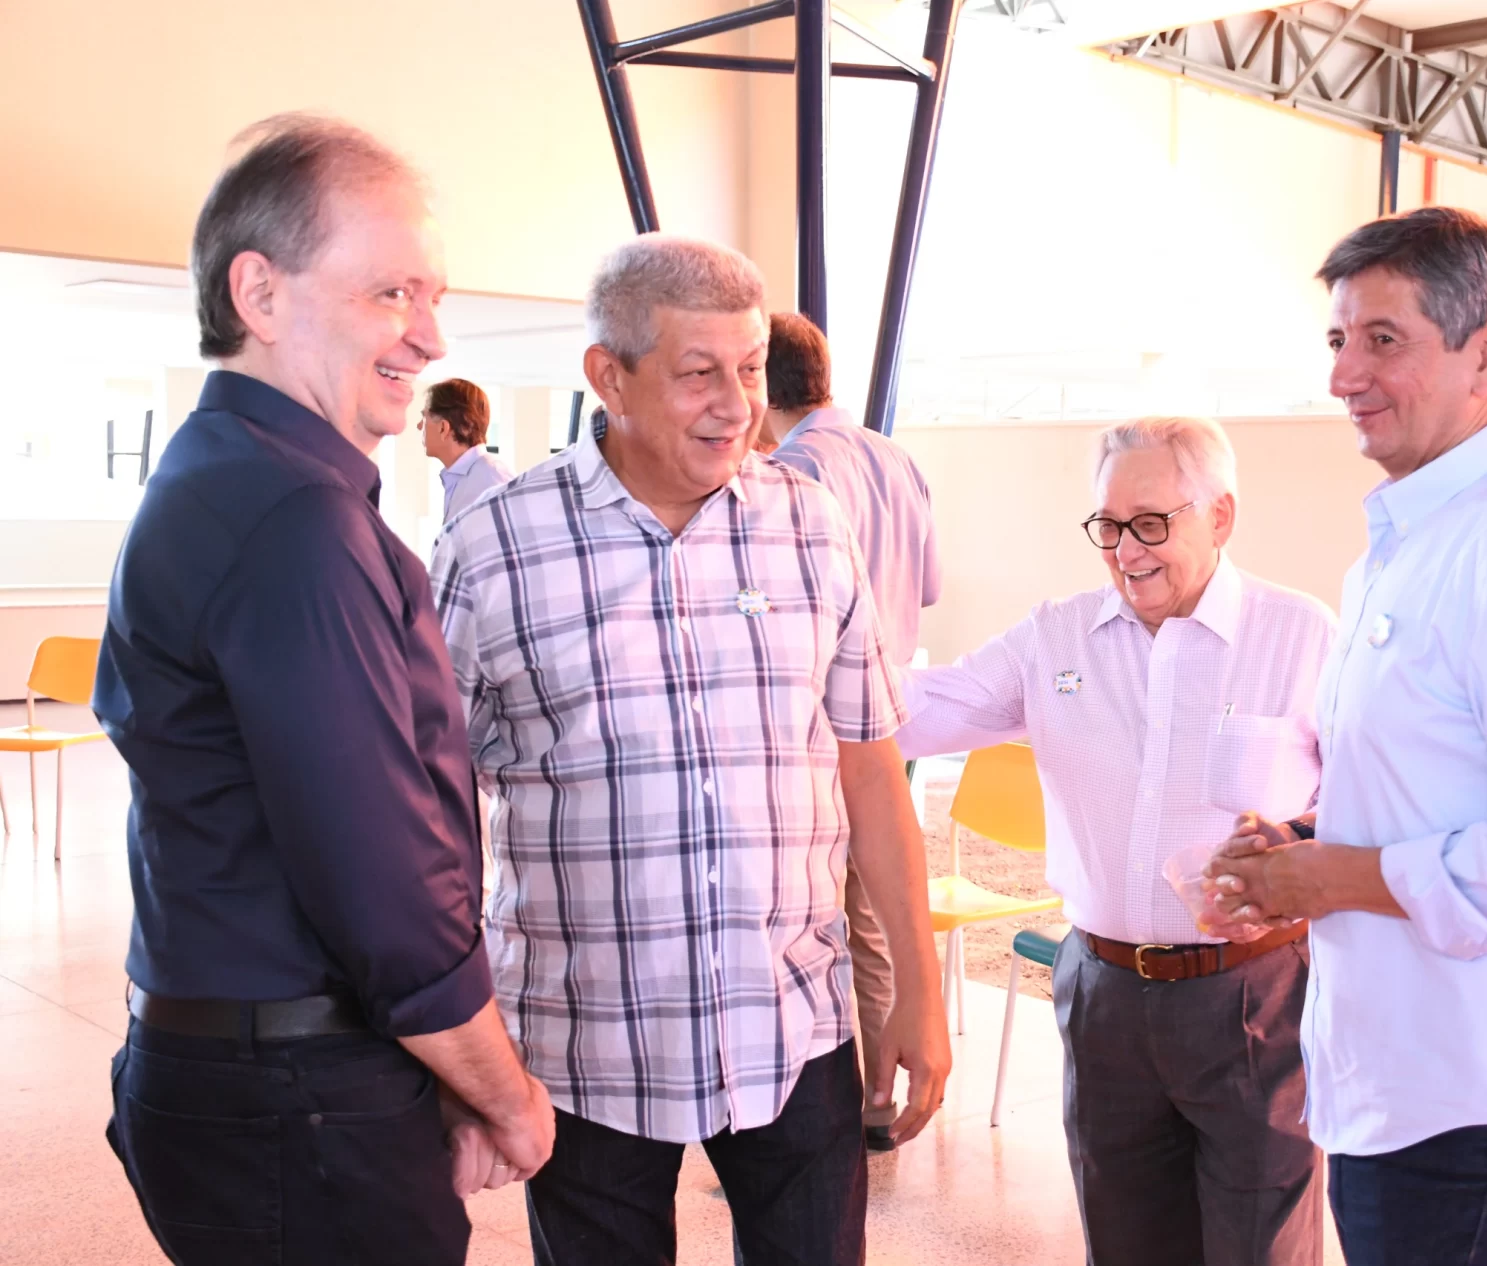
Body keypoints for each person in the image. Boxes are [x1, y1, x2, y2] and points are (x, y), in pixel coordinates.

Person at [429, 234, 951, 1266]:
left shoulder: (811, 525)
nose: (736, 405)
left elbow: (869, 768)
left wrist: (918, 993)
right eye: (698, 373)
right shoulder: (496, 549)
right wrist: (462, 1052)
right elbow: (433, 817)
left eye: (750, 369)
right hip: (583, 1046)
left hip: (792, 1028)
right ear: (609, 375)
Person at [92, 114, 554, 1266]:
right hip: (295, 1099)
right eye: (391, 293)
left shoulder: (225, 476)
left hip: (242, 1074)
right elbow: (379, 876)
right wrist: (502, 1091)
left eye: (433, 297)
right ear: (258, 292)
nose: (429, 335)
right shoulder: (296, 518)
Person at [1208, 207, 1487, 1266]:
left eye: (1383, 340)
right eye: (1337, 340)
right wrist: (1303, 843)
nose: (1342, 376)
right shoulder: (1405, 548)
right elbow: (1427, 785)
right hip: (1400, 1081)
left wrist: (1333, 878)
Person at [897, 416, 1333, 1266]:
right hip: (1104, 1000)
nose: (1126, 551)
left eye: (1151, 524)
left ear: (1221, 516)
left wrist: (1296, 849)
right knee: (1125, 1245)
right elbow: (919, 712)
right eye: (1108, 525)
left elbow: (1372, 804)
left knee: (1262, 1251)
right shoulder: (1055, 638)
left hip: (1254, 999)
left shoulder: (1302, 636)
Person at [761, 310, 942, 1152]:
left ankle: (829, 1109)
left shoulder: (790, 472)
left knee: (819, 921)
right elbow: (927, 589)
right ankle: (876, 1101)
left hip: (821, 731)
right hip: (890, 722)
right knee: (871, 918)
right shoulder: (896, 458)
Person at [419, 377, 512, 521]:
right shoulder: (462, 477)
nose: (419, 426)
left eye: (424, 418)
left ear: (443, 428)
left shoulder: (492, 474)